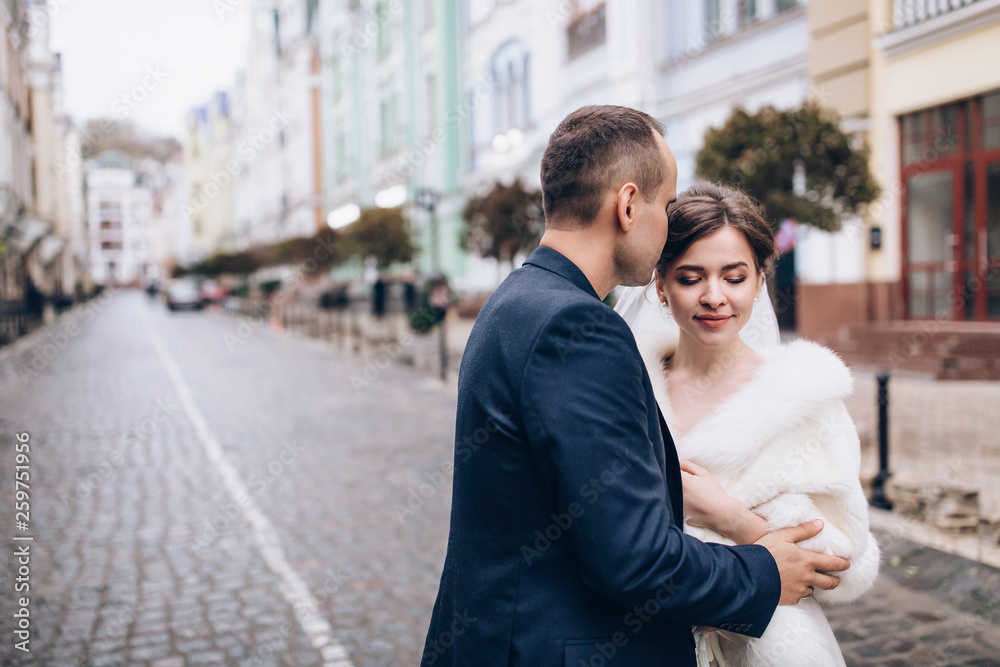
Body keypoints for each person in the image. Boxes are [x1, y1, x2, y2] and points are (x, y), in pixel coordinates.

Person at [421, 106, 850, 666]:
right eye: (667, 205)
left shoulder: (512, 302)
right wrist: (765, 570)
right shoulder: (579, 327)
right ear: (627, 206)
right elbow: (636, 561)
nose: (669, 223)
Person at [616, 182, 880, 666]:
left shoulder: (805, 400)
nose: (714, 297)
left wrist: (732, 519)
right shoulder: (624, 391)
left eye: (734, 277)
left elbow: (846, 565)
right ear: (660, 285)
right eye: (691, 278)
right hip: (643, 645)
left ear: (759, 282)